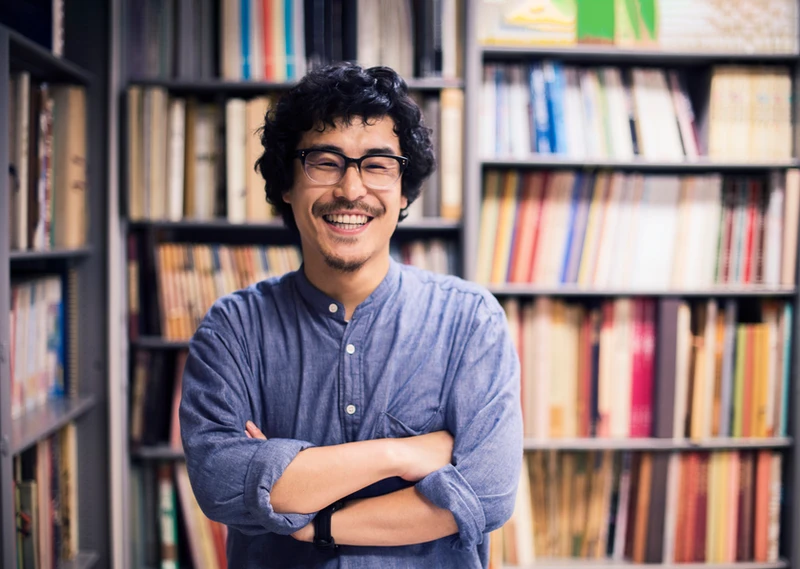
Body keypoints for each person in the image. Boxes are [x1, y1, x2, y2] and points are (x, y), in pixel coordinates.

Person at [179, 62, 523, 568]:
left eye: (378, 164)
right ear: (287, 186)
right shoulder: (233, 329)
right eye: (325, 161)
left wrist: (308, 514)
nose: (351, 189)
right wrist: (401, 455)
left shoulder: (470, 321)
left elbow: (488, 495)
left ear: (403, 191)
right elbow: (221, 483)